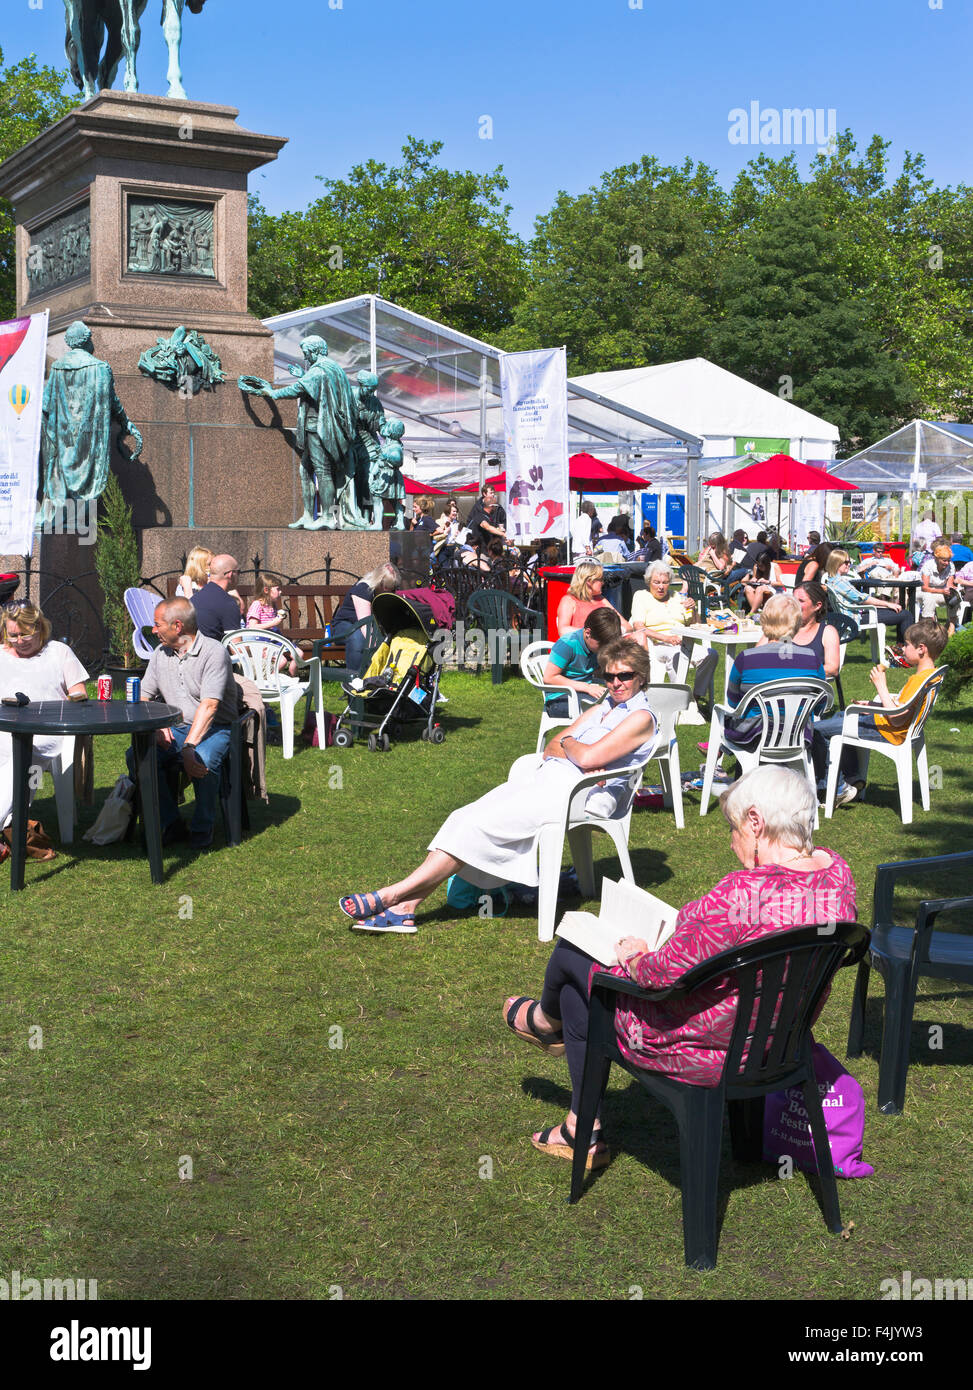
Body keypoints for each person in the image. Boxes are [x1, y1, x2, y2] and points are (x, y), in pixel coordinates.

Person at [501, 765, 856, 1170]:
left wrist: (634, 954)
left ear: (756, 822)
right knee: (581, 975)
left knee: (572, 956)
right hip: (780, 1042)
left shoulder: (742, 894)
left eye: (734, 828)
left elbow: (657, 976)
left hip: (699, 1045)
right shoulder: (837, 874)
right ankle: (572, 1102)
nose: (731, 840)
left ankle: (550, 1031)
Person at [339, 640, 658, 934]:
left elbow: (585, 755)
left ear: (641, 676)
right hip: (547, 778)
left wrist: (574, 747)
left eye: (624, 676)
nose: (615, 683)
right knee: (464, 817)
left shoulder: (641, 717)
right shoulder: (605, 707)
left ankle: (392, 896)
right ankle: (405, 907)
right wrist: (576, 749)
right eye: (609, 676)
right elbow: (552, 746)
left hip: (574, 794)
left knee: (474, 825)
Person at [129, 598, 239, 850]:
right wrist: (156, 726)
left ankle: (202, 828)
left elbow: (210, 706)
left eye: (157, 625)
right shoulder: (160, 654)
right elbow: (145, 696)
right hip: (176, 727)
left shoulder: (213, 652)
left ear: (177, 626)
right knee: (138, 755)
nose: (153, 630)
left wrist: (188, 747)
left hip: (215, 727)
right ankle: (171, 823)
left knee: (202, 759)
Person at [811, 618, 947, 804]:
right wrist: (873, 706)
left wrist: (881, 687)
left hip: (888, 731)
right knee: (841, 716)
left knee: (815, 730)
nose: (903, 648)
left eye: (906, 645)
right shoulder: (930, 675)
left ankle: (836, 788)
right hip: (893, 727)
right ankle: (853, 778)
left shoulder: (918, 681)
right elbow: (904, 709)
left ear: (921, 649)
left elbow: (897, 719)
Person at [0, 602, 88, 862]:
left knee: (21, 756)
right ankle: (14, 823)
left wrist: (74, 699)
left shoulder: (58, 652)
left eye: (25, 634)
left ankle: (12, 826)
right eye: (12, 635)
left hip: (47, 732)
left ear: (39, 627)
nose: (19, 641)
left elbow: (79, 691)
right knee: (18, 757)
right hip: (5, 728)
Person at [629, 561, 717, 702]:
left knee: (711, 654)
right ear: (649, 582)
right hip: (657, 645)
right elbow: (639, 627)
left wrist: (693, 609)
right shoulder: (641, 596)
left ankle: (694, 697)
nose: (661, 587)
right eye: (656, 582)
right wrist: (666, 638)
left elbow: (696, 625)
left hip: (683, 643)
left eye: (665, 582)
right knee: (676, 655)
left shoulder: (677, 597)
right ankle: (681, 700)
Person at [542, 607, 622, 717]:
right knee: (604, 710)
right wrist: (586, 687)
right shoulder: (567, 644)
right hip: (559, 698)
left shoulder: (595, 646)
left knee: (622, 704)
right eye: (602, 645)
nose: (605, 649)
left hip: (583, 693)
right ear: (588, 632)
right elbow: (549, 678)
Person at [825, 548, 914, 643]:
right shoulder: (840, 581)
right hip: (855, 617)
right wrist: (888, 604)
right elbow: (863, 598)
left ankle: (900, 649)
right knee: (905, 614)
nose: (849, 564)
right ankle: (904, 650)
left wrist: (886, 605)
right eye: (846, 562)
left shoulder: (832, 580)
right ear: (836, 563)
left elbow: (860, 598)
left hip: (850, 614)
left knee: (898, 611)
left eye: (849, 562)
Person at [330, 562, 402, 674]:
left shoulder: (385, 592)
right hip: (343, 626)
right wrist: (376, 650)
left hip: (368, 628)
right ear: (379, 582)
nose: (389, 591)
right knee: (357, 637)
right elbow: (365, 627)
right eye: (386, 587)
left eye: (392, 588)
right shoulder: (363, 589)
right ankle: (355, 679)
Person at [556, 562, 630, 638]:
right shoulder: (569, 600)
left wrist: (611, 632)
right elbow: (563, 630)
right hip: (582, 646)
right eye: (600, 579)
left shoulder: (601, 599)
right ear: (589, 582)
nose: (603, 583)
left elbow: (627, 626)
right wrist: (595, 633)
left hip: (607, 645)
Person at [246, 572, 298, 678]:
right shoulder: (257, 605)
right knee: (282, 661)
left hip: (273, 639)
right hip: (261, 642)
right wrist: (273, 623)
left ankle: (290, 677)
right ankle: (269, 681)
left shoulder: (272, 605)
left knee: (299, 654)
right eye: (278, 589)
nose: (281, 592)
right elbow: (252, 627)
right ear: (266, 590)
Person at [790, 581, 841, 679]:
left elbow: (832, 668)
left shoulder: (827, 632)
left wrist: (794, 672)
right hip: (777, 690)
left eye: (801, 601)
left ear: (817, 606)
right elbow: (756, 659)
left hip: (811, 691)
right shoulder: (780, 628)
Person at [191, 554, 244, 641]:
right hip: (213, 653)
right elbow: (237, 648)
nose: (239, 576)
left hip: (192, 651)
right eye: (238, 572)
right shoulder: (228, 603)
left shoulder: (194, 598)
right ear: (230, 574)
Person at [918, 541, 961, 629]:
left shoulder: (951, 566)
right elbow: (924, 587)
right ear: (937, 558)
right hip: (923, 591)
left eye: (948, 560)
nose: (947, 563)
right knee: (928, 597)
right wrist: (941, 591)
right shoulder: (928, 565)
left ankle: (951, 626)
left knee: (955, 596)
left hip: (941, 592)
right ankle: (929, 625)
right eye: (944, 560)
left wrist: (952, 589)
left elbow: (949, 585)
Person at [741, 549, 784, 614]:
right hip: (760, 587)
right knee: (748, 588)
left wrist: (768, 582)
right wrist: (752, 580)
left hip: (774, 589)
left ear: (766, 564)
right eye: (758, 565)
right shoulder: (756, 567)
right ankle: (756, 612)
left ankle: (751, 613)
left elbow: (781, 583)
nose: (759, 568)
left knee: (760, 588)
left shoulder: (775, 567)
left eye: (761, 566)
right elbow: (754, 578)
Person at [466, 485, 507, 552]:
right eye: (491, 493)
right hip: (480, 544)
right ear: (484, 494)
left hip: (494, 541)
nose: (493, 495)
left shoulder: (498, 507)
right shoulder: (477, 508)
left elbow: (503, 520)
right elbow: (484, 526)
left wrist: (502, 529)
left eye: (494, 493)